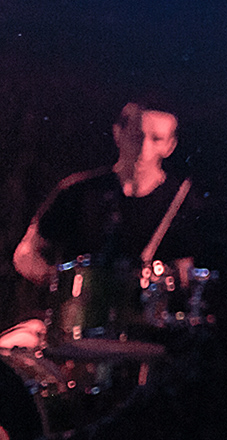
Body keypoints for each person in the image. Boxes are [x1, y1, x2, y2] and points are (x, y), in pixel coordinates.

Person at [13, 97, 211, 342]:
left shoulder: (184, 200)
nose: (144, 149)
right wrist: (56, 281)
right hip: (74, 327)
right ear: (118, 134)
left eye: (156, 139)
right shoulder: (78, 191)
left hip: (146, 333)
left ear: (170, 146)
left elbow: (186, 271)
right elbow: (25, 253)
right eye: (137, 136)